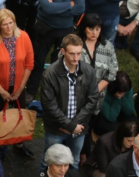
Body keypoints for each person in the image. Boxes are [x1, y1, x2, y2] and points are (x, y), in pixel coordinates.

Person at [25, 0, 85, 103]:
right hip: (45, 28)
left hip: (65, 29)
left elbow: (80, 8)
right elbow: (46, 7)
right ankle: (31, 91)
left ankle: (56, 92)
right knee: (38, 61)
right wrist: (68, 4)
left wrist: (55, 5)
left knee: (61, 63)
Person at [39, 34, 99, 171]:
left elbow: (92, 99)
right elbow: (49, 105)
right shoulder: (50, 74)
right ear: (63, 51)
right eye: (72, 53)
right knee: (48, 161)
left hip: (79, 128)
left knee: (74, 161)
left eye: (79, 53)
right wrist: (70, 125)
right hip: (56, 128)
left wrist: (74, 125)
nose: (76, 58)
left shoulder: (88, 71)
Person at [0, 8, 35, 159]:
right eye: (5, 24)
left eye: (11, 23)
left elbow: (29, 64)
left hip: (18, 85)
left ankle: (19, 144)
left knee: (20, 114)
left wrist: (20, 88)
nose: (9, 27)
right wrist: (1, 92)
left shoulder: (24, 37)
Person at [76, 13, 118, 115]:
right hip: (75, 94)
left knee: (90, 121)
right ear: (84, 28)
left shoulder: (108, 47)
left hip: (97, 96)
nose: (94, 32)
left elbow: (113, 71)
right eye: (91, 28)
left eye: (97, 29)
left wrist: (96, 90)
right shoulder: (74, 44)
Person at [94, 72, 137, 136]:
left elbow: (130, 111)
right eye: (121, 93)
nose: (123, 95)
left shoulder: (127, 89)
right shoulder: (103, 92)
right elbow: (111, 117)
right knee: (115, 130)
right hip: (106, 115)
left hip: (121, 111)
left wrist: (121, 97)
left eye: (125, 93)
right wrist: (118, 98)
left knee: (135, 125)